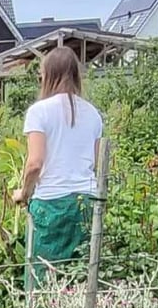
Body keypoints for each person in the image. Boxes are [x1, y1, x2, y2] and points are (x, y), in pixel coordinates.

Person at [13, 46, 103, 288]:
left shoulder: (39, 112)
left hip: (51, 206)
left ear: (48, 75)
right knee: (80, 277)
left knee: (43, 278)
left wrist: (23, 193)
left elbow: (35, 164)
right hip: (87, 203)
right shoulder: (94, 114)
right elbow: (96, 164)